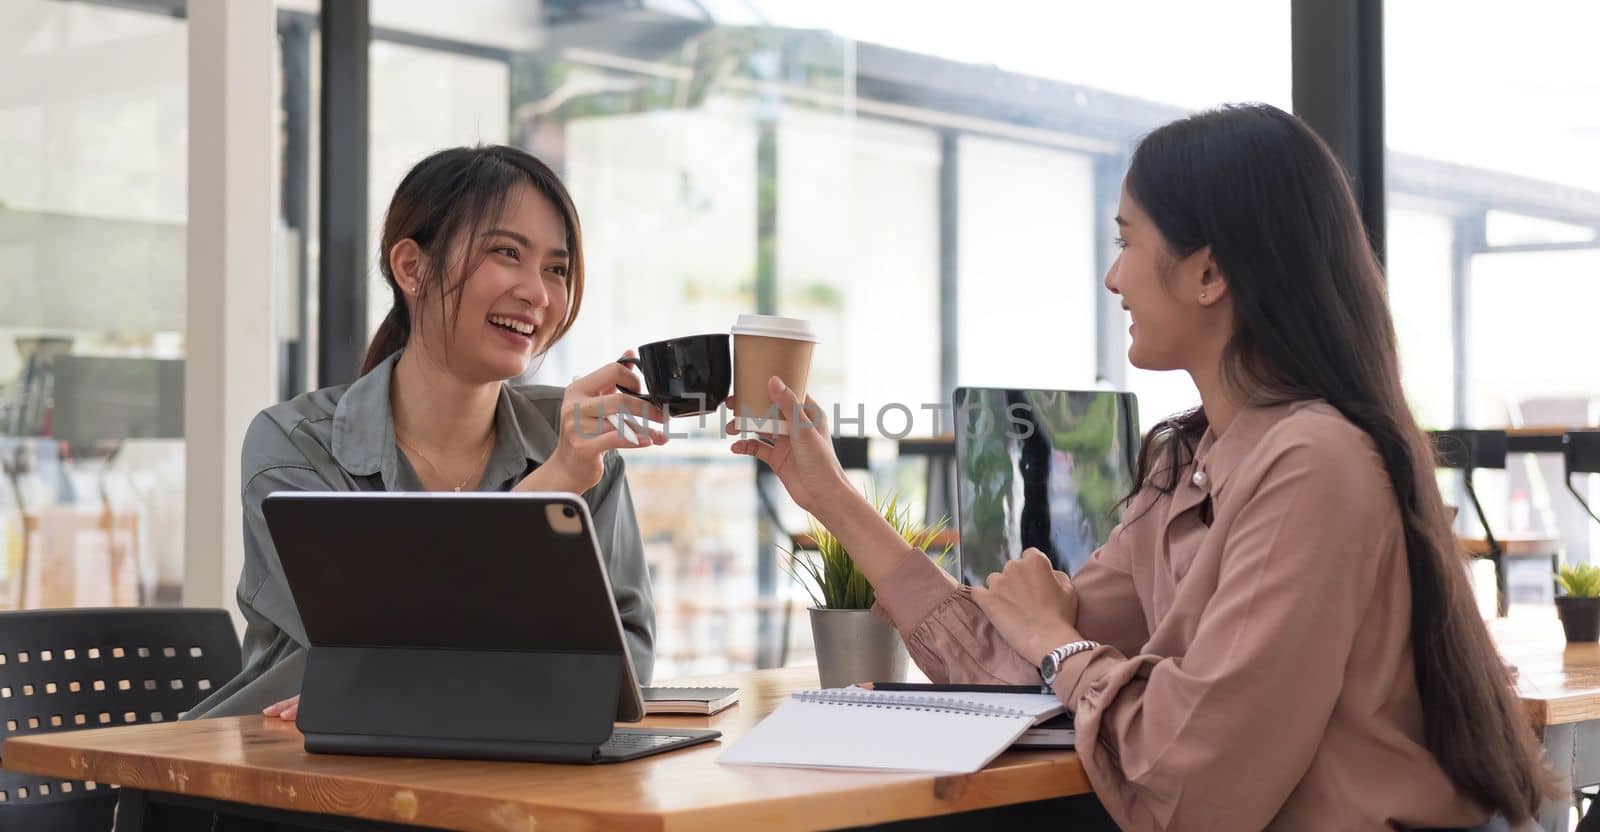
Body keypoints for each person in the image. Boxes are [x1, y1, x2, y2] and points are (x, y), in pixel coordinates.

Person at [731, 105, 1553, 829]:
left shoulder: (1314, 461)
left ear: (1209, 272)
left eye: (1127, 241)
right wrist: (829, 496)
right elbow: (1010, 667)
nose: (1112, 275)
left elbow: (1197, 784)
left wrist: (1060, 643)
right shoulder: (1188, 464)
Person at [188, 145, 667, 720]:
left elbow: (621, 667)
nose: (539, 294)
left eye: (556, 269)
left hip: (499, 777)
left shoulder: (577, 444)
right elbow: (376, 642)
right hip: (292, 785)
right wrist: (552, 489)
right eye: (506, 253)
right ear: (411, 267)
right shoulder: (294, 444)